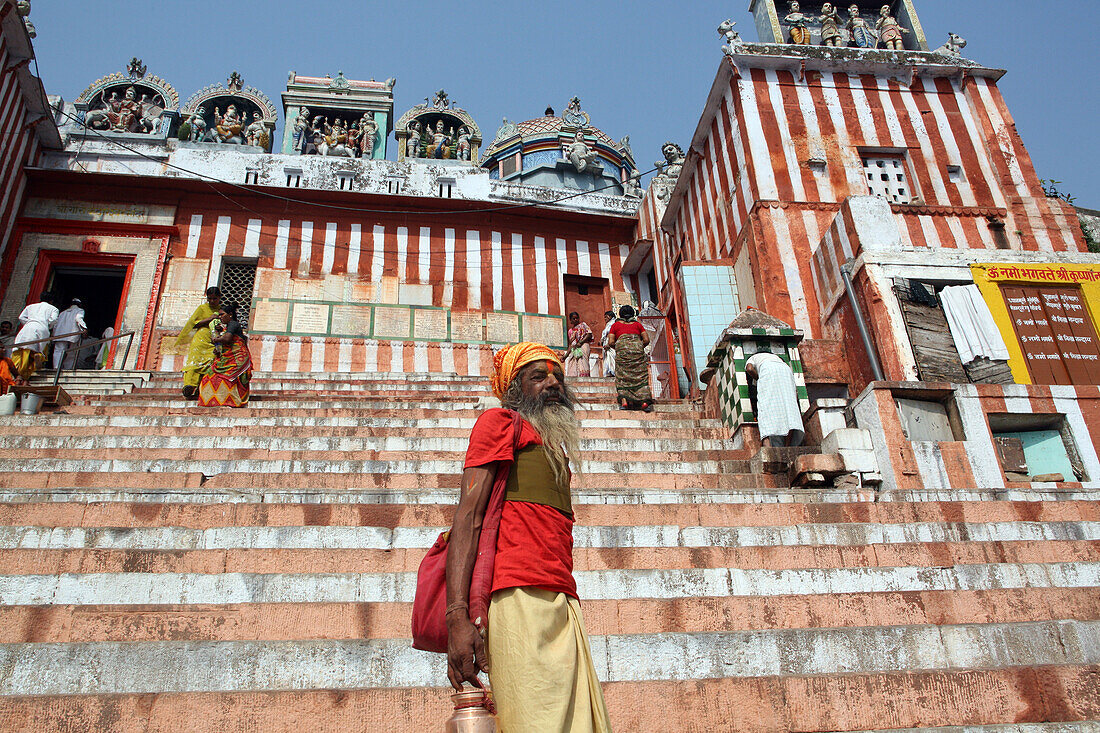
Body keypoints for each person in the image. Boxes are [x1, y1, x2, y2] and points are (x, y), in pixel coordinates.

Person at [446, 342, 612, 733]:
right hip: (516, 598)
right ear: (516, 389)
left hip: (564, 601)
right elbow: (467, 518)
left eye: (557, 375)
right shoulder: (499, 423)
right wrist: (457, 616)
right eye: (538, 376)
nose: (553, 382)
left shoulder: (554, 448)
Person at [745, 351, 805, 448]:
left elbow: (749, 369)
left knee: (765, 407)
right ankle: (788, 446)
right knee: (789, 410)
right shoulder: (776, 358)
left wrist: (758, 379)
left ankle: (767, 446)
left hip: (767, 370)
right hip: (786, 371)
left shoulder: (752, 358)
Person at [198, 302, 253, 408]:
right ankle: (218, 401)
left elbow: (227, 339)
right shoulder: (227, 327)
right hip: (226, 359)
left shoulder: (233, 324)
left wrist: (216, 339)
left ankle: (229, 401)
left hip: (236, 359)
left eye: (222, 314)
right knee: (210, 376)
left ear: (230, 315)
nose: (220, 317)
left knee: (226, 378)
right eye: (219, 315)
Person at [175, 287, 221, 400]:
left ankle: (201, 388)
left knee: (210, 363)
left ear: (219, 297)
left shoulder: (221, 309)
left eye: (214, 298)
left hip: (214, 340)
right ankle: (189, 386)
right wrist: (209, 319)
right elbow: (193, 324)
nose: (212, 301)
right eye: (209, 299)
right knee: (194, 363)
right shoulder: (202, 308)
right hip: (200, 340)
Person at [607, 305, 653, 412]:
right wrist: (637, 346)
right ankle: (644, 402)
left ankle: (624, 401)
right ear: (633, 314)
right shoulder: (638, 325)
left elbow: (610, 342)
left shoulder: (615, 325)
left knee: (622, 377)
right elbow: (646, 340)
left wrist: (620, 347)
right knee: (640, 376)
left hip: (622, 351)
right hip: (637, 350)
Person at [11, 292, 59, 380]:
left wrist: (30, 323)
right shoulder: (54, 309)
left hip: (27, 328)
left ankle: (18, 375)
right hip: (42, 329)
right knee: (39, 350)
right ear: (51, 301)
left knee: (21, 350)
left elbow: (21, 317)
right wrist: (46, 326)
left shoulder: (30, 306)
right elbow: (53, 320)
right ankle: (37, 358)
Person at [51, 298, 87, 370]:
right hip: (72, 335)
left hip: (60, 334)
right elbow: (78, 318)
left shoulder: (62, 313)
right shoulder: (79, 311)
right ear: (79, 304)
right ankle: (68, 368)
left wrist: (54, 335)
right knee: (72, 352)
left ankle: (56, 367)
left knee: (58, 351)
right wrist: (84, 329)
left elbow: (55, 325)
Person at [563, 312, 593, 377]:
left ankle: (585, 378)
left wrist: (581, 342)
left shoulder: (583, 325)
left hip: (583, 345)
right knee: (572, 363)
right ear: (571, 320)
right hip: (574, 348)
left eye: (577, 318)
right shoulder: (570, 331)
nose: (576, 320)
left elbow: (589, 334)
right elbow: (571, 344)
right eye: (574, 318)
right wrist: (565, 356)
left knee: (583, 362)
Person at [599, 310, 617, 377]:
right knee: (607, 360)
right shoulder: (608, 325)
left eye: (606, 317)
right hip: (606, 343)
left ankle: (613, 373)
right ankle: (608, 374)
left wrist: (609, 344)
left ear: (611, 317)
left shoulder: (613, 324)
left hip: (611, 343)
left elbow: (613, 334)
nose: (605, 319)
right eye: (604, 317)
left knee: (612, 359)